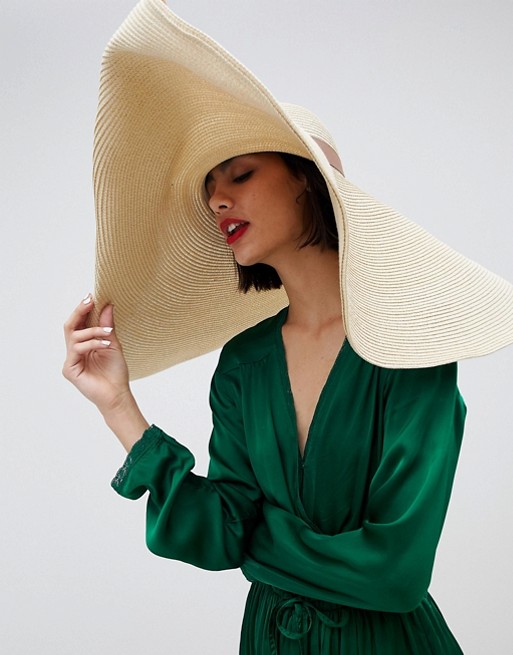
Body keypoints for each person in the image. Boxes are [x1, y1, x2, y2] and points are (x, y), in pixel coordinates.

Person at [63, 1, 513, 653]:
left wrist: (255, 538)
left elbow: (396, 574)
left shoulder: (408, 343)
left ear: (307, 181)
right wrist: (118, 405)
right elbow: (219, 531)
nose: (217, 199)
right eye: (210, 186)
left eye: (240, 174)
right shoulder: (244, 362)